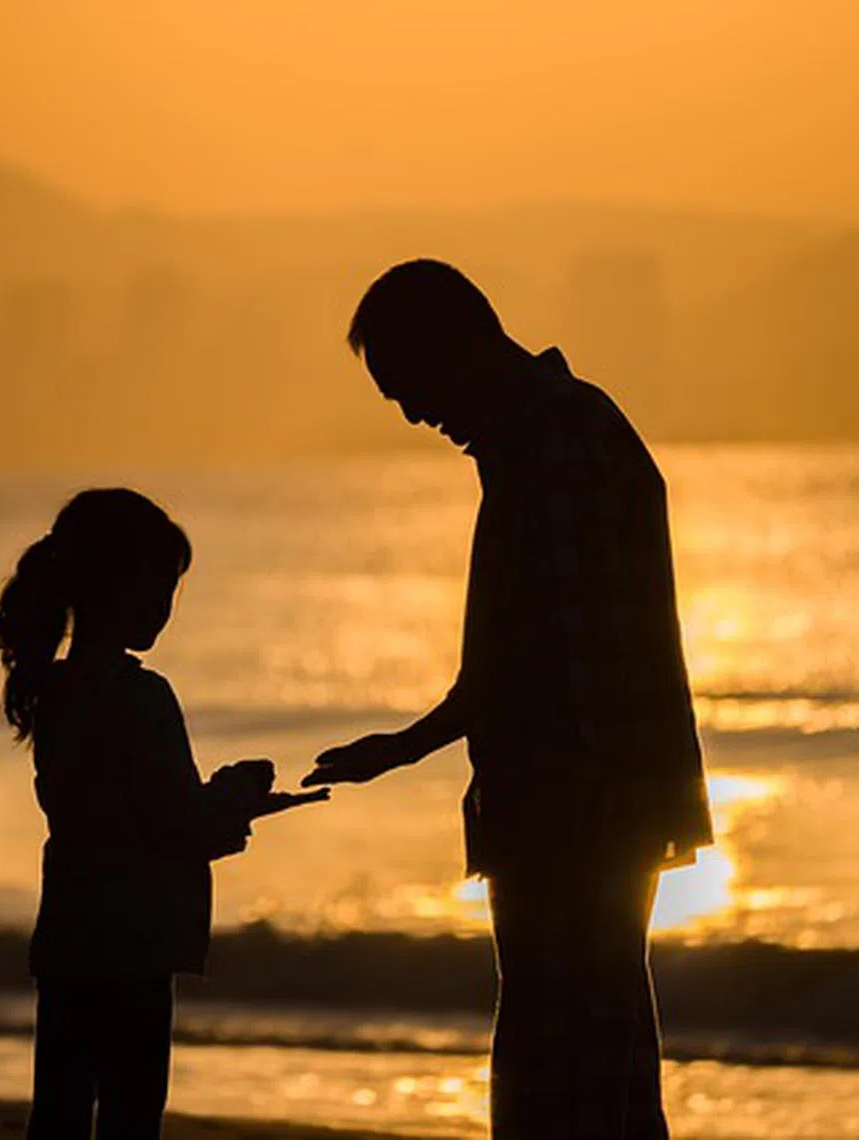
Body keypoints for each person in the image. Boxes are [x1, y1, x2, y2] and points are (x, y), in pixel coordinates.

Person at [304, 260, 713, 1139]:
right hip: (584, 806)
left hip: (573, 809)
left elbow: (559, 652)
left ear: (454, 347)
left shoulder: (551, 443)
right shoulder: (557, 431)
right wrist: (410, 745)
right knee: (597, 1051)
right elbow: (536, 648)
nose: (416, 415)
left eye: (410, 387)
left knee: (561, 1061)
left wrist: (412, 746)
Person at [0, 487, 327, 1140]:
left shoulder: (53, 690)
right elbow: (179, 824)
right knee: (131, 1114)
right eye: (162, 586)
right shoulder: (141, 696)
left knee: (58, 1111)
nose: (167, 606)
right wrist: (239, 795)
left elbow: (123, 809)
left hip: (70, 935)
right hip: (135, 942)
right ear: (120, 584)